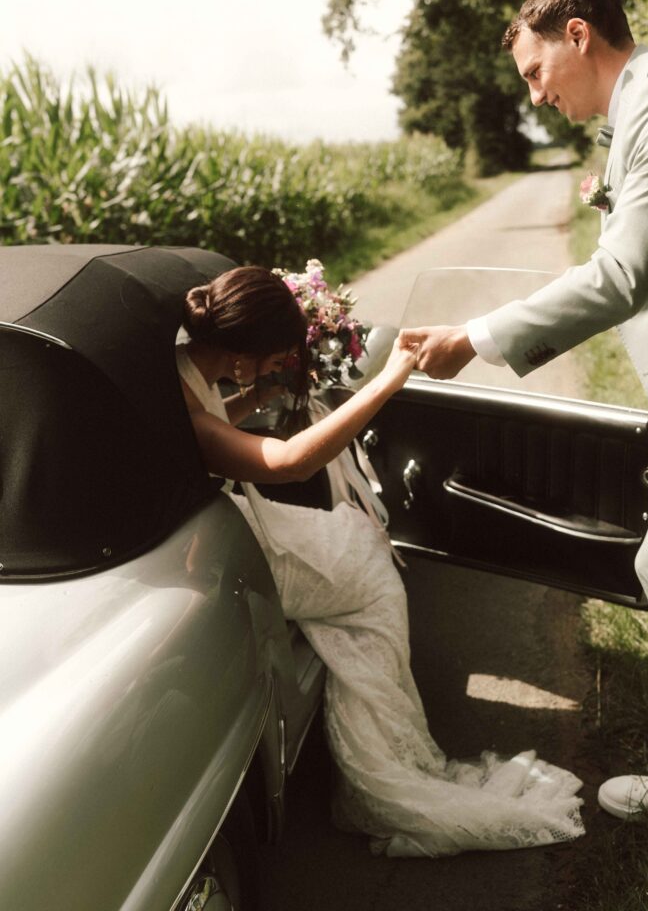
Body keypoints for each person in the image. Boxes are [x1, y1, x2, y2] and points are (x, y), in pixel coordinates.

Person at [176, 263, 584, 856]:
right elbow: (287, 461)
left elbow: (217, 423)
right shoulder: (183, 404)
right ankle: (386, 776)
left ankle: (381, 745)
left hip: (241, 521)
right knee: (374, 588)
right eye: (272, 359)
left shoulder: (189, 369)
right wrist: (386, 383)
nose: (276, 367)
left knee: (361, 541)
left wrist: (259, 396)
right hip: (237, 550)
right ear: (243, 351)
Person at [400, 0, 648, 820]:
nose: (533, 95)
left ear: (576, 36)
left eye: (533, 74)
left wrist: (475, 338)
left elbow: (622, 275)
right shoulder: (635, 110)